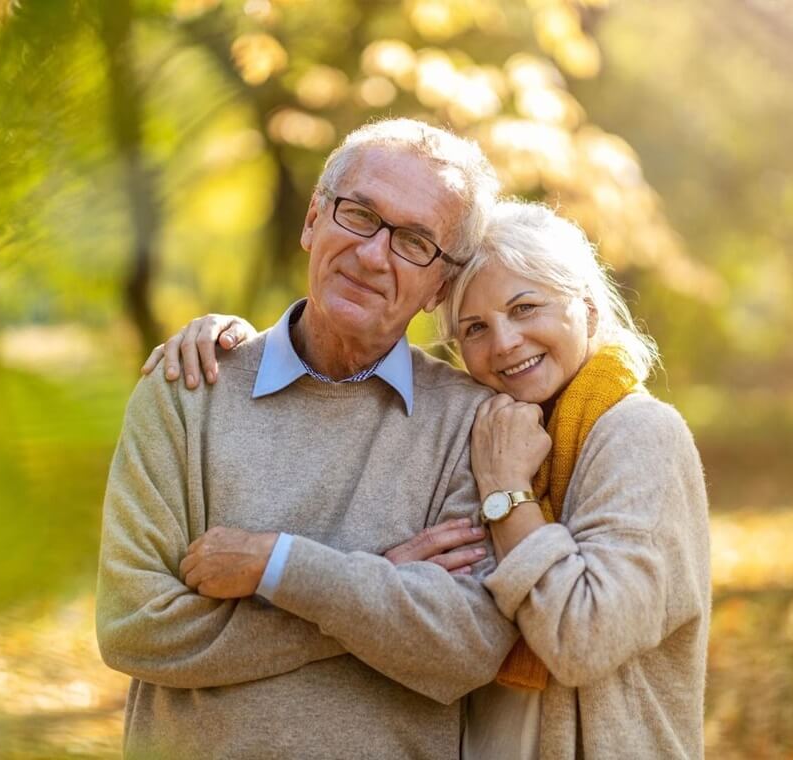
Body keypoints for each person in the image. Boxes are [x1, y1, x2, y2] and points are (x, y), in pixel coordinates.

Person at [149, 200, 711, 759]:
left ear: (586, 310)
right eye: (475, 328)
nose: (505, 342)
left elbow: (583, 639)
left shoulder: (637, 434)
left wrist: (507, 491)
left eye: (525, 307)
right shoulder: (493, 428)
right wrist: (240, 347)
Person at [96, 118, 518, 760]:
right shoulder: (188, 388)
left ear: (441, 284)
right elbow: (134, 628)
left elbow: (466, 651)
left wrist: (279, 567)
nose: (374, 254)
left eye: (414, 242)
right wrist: (379, 584)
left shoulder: (474, 424)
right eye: (359, 215)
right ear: (313, 219)